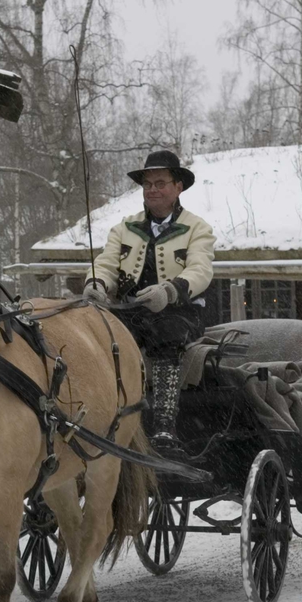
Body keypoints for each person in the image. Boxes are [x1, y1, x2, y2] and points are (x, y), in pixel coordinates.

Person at [83, 150, 215, 455]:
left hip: (180, 313)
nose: (152, 190)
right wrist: (96, 284)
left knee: (165, 333)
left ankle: (164, 426)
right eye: (147, 185)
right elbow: (105, 264)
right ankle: (100, 415)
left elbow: (200, 270)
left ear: (178, 187)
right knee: (96, 334)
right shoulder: (124, 228)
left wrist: (169, 291)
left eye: (160, 183)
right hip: (130, 312)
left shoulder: (197, 229)